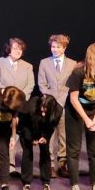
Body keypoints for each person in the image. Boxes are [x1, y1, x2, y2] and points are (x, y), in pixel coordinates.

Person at [65, 42, 95, 190]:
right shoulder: (78, 73)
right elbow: (73, 99)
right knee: (73, 150)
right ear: (90, 56)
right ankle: (75, 185)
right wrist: (86, 119)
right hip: (76, 113)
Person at [0, 38, 35, 174]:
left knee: (14, 133)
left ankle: (10, 163)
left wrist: (18, 99)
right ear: (8, 49)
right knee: (2, 132)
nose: (18, 51)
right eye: (15, 48)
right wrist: (9, 98)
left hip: (19, 105)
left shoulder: (28, 66)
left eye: (20, 49)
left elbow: (30, 85)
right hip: (1, 105)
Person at [37, 34, 77, 178]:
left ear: (64, 48)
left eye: (58, 47)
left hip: (66, 104)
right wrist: (51, 99)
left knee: (64, 136)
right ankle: (50, 165)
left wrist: (63, 98)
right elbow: (42, 83)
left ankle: (62, 165)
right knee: (49, 134)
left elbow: (73, 84)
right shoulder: (44, 62)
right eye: (53, 46)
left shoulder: (73, 64)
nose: (54, 49)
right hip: (50, 105)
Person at [17, 90, 63, 190]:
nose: (43, 110)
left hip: (44, 129)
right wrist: (31, 139)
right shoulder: (30, 106)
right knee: (27, 153)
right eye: (42, 106)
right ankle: (26, 184)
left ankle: (46, 183)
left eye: (46, 108)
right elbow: (23, 126)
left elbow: (51, 126)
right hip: (27, 129)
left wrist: (45, 137)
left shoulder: (58, 111)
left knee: (45, 152)